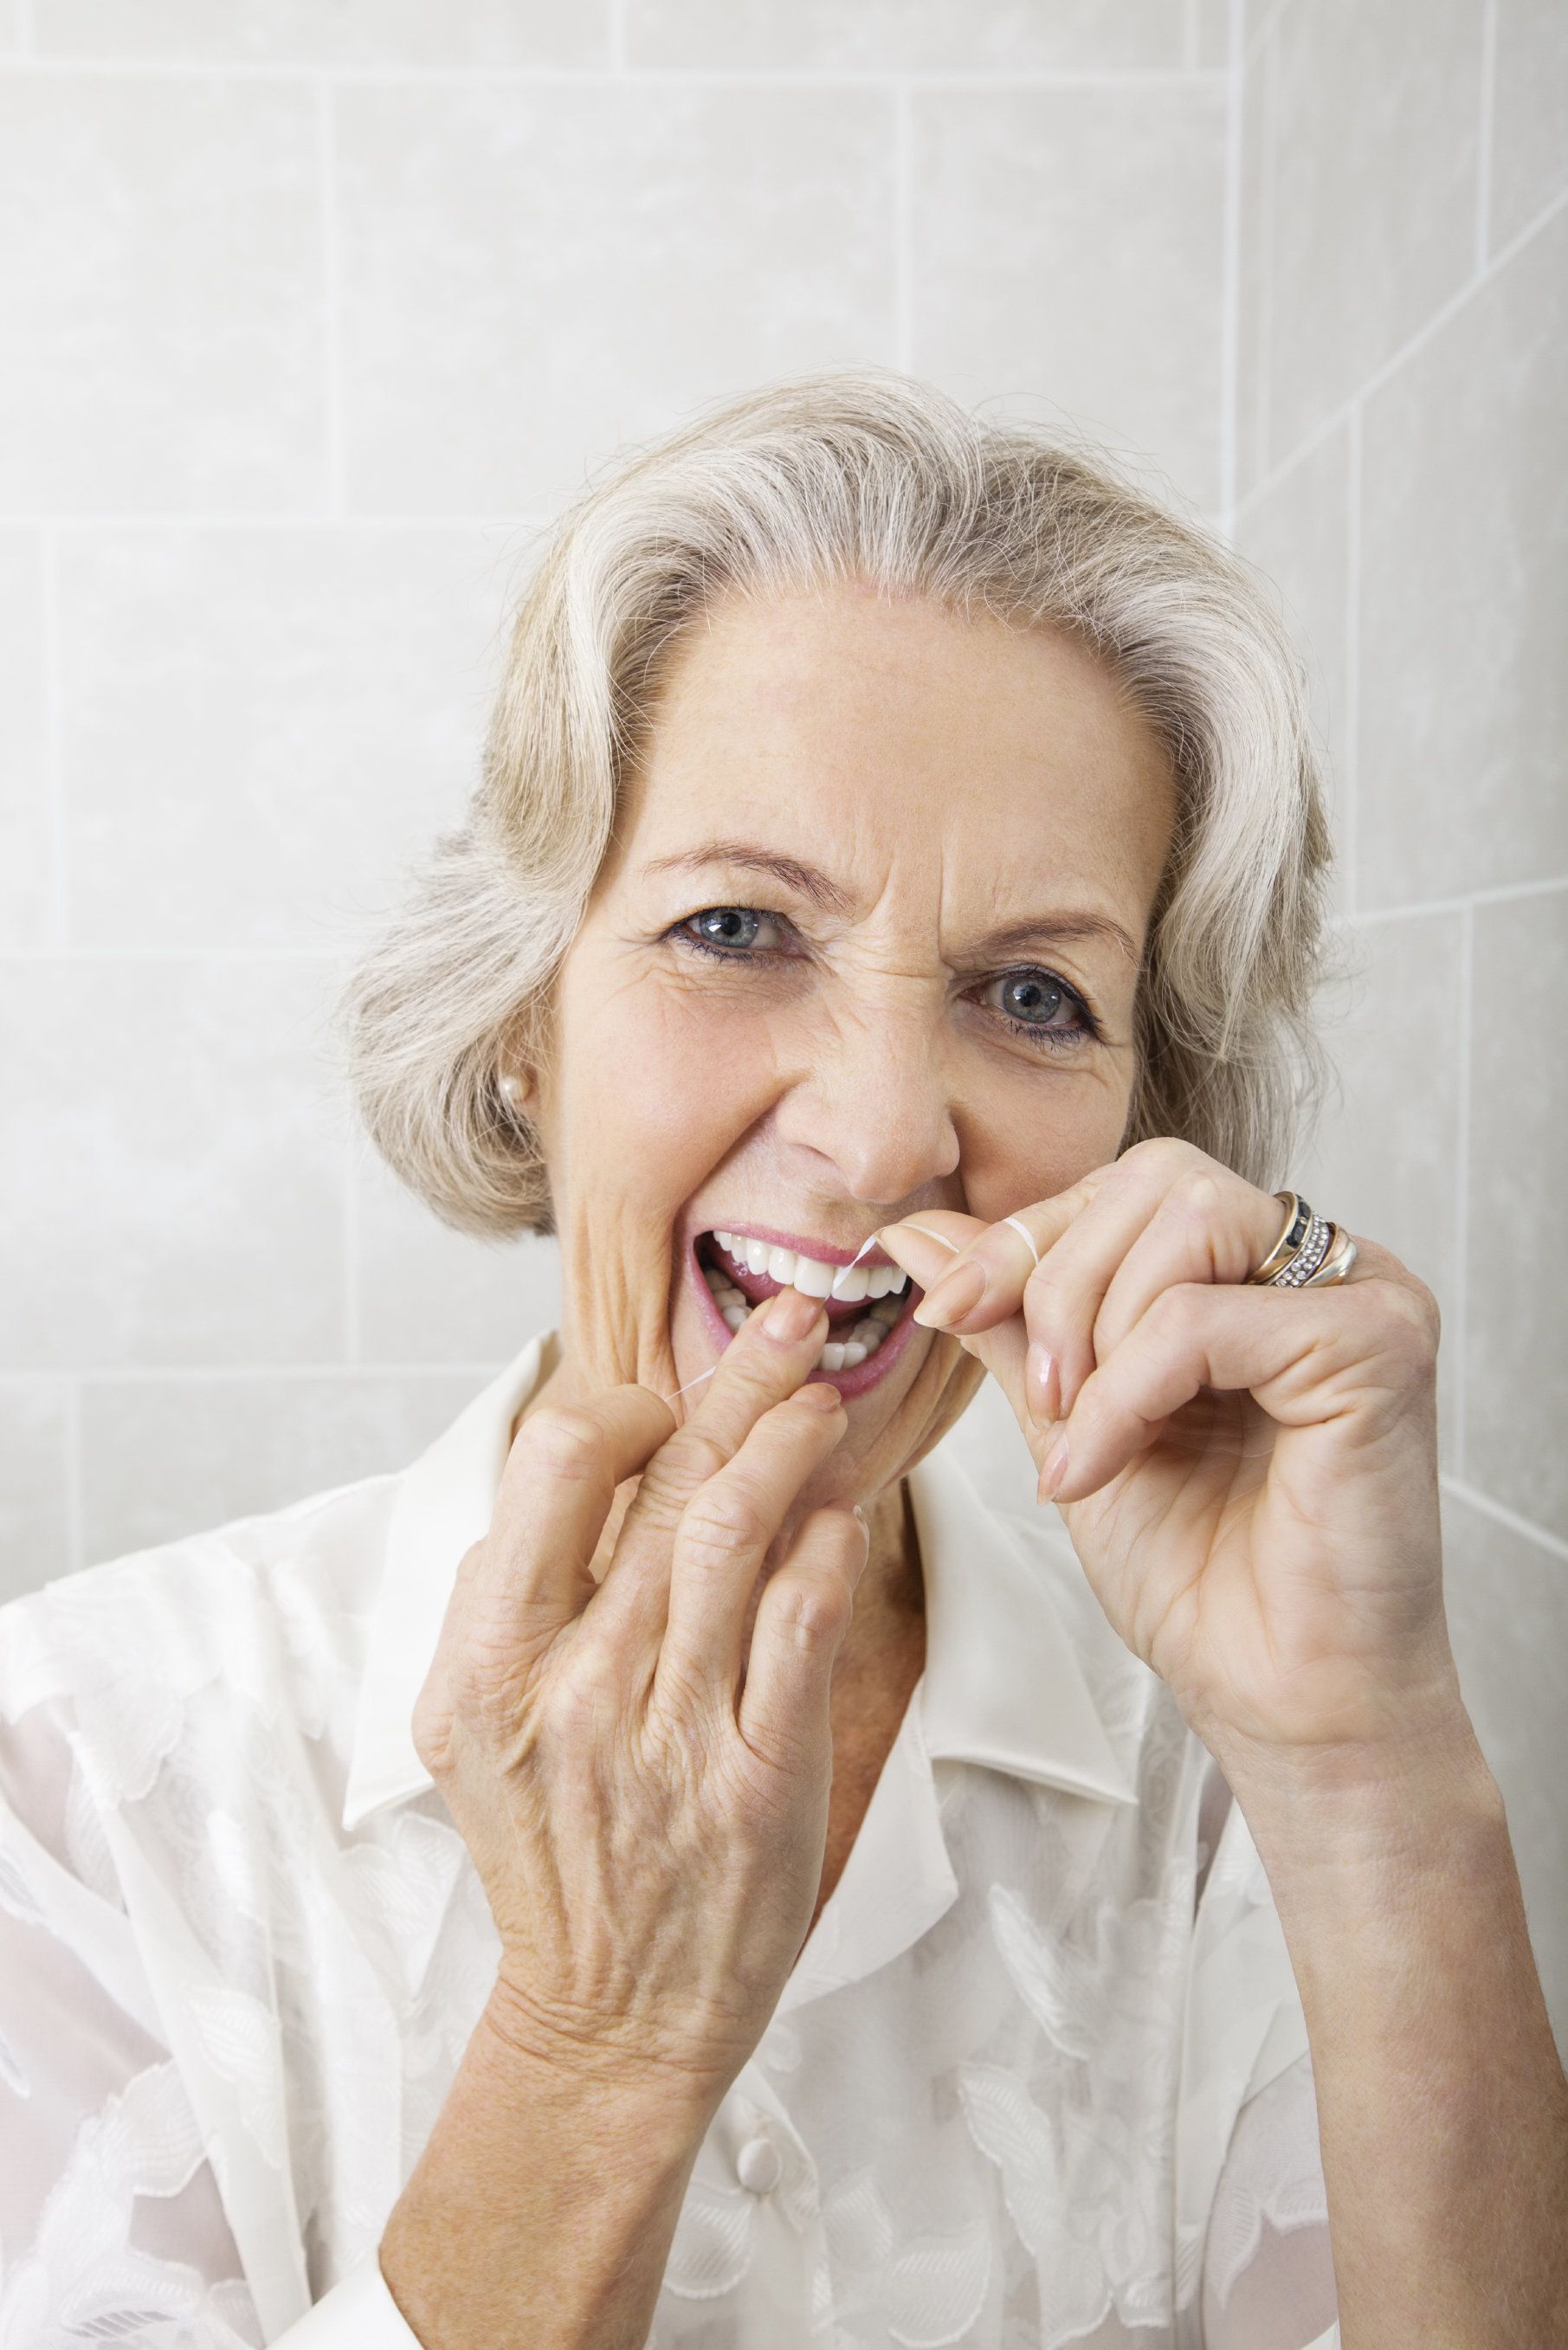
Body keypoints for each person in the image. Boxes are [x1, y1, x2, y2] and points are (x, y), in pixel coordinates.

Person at [1, 372, 1563, 2350]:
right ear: (522, 1023)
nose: (892, 1128)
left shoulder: (1224, 1808)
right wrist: (594, 2051)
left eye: (1032, 994)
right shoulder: (70, 1775)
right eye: (737, 926)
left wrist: (1374, 1772)